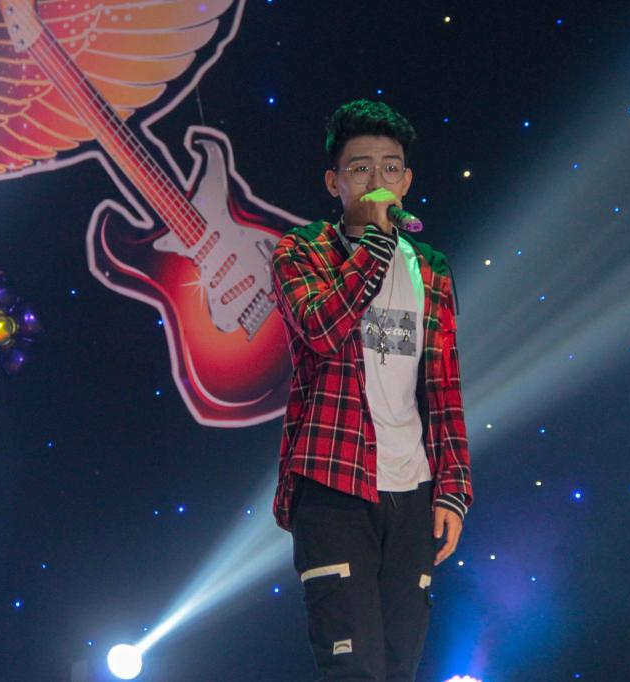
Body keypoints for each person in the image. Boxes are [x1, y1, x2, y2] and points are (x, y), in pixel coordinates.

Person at [270, 99, 473, 681]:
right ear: (333, 182)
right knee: (352, 669)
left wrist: (453, 488)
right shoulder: (302, 251)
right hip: (334, 481)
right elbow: (321, 329)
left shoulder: (431, 268)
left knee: (398, 666)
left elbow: (444, 385)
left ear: (407, 181)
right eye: (360, 168)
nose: (376, 180)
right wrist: (376, 246)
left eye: (390, 167)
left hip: (413, 489)